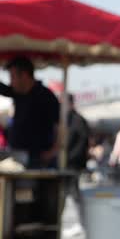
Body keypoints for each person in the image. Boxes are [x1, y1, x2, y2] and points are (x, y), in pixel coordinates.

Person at [0, 56, 60, 168]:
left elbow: (61, 127)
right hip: (17, 157)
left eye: (12, 77)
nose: (11, 82)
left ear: (24, 75)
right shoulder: (19, 94)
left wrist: (52, 152)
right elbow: (3, 89)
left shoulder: (46, 97)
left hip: (38, 161)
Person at [62, 93, 90, 237]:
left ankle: (82, 224)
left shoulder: (77, 120)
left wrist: (70, 158)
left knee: (74, 194)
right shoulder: (66, 119)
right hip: (68, 164)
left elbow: (82, 143)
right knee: (66, 194)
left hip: (73, 165)